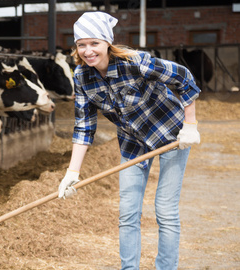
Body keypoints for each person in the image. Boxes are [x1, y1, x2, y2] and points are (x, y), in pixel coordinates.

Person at [57, 11, 201, 270]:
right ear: (76, 48)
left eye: (94, 43)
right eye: (82, 45)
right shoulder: (81, 77)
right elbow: (84, 126)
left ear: (107, 44)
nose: (88, 51)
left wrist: (190, 124)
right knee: (128, 214)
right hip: (132, 142)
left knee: (165, 211)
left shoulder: (136, 62)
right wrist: (72, 172)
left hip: (171, 134)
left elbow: (184, 78)